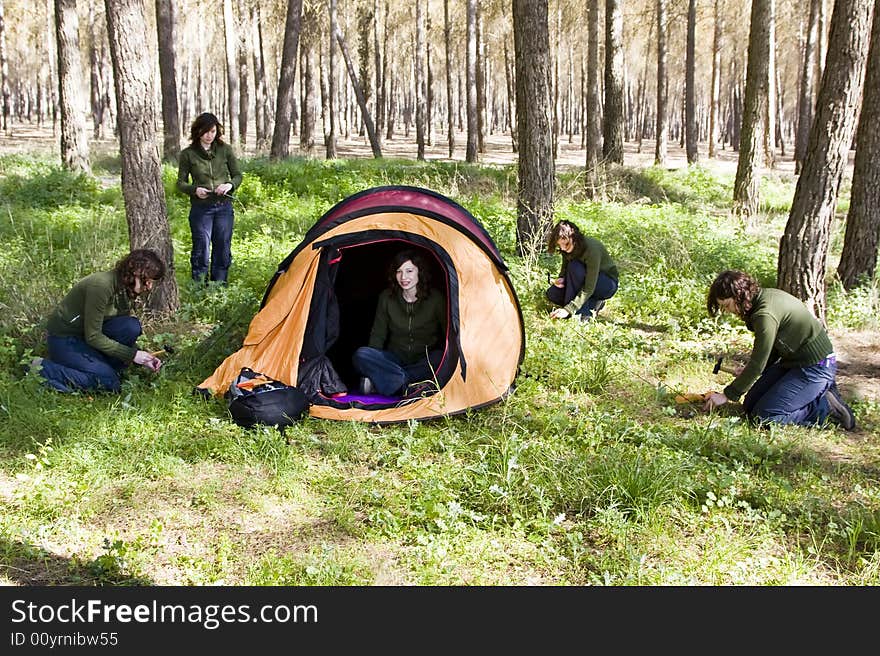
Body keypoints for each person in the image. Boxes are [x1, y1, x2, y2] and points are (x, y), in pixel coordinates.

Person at [703, 270, 856, 430]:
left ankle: (824, 407)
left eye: (727, 305)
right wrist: (748, 371)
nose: (728, 311)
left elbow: (758, 363)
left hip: (816, 367)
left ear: (740, 295)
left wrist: (726, 395)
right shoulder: (762, 299)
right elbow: (772, 349)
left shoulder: (764, 314)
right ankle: (814, 395)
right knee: (750, 405)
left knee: (764, 417)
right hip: (793, 363)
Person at [30, 249, 166, 394]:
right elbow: (93, 336)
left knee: (131, 326)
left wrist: (142, 357)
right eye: (147, 280)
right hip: (66, 339)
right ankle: (39, 367)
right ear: (134, 272)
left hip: (87, 338)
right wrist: (132, 355)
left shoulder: (126, 290)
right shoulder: (101, 286)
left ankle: (100, 369)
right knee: (109, 383)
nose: (149, 287)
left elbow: (117, 327)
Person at [352, 250, 447, 397]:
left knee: (443, 357)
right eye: (399, 271)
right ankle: (407, 385)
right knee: (362, 354)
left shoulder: (435, 299)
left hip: (424, 360)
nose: (404, 277)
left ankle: (387, 383)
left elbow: (448, 331)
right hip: (394, 360)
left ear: (419, 272)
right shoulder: (387, 298)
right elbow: (378, 334)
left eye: (409, 271)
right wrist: (373, 363)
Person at [176, 112, 243, 284]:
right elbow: (180, 183)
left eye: (213, 131)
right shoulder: (188, 154)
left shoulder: (225, 150)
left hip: (223, 206)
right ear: (197, 131)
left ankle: (219, 286)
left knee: (222, 246)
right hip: (201, 208)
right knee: (201, 247)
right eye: (206, 131)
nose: (209, 136)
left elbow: (237, 175)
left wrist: (229, 185)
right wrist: (194, 190)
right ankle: (198, 286)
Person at [546, 220, 619, 322]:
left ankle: (582, 315)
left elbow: (589, 287)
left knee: (575, 267)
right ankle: (593, 304)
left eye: (566, 244)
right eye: (560, 246)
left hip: (605, 283)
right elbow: (565, 267)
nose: (563, 248)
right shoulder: (566, 249)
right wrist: (562, 278)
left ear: (574, 237)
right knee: (553, 294)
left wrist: (568, 309)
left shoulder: (592, 249)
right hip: (582, 279)